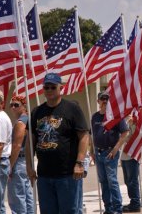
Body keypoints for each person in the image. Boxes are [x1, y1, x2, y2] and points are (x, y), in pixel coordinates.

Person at [25, 73, 89, 214]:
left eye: (53, 87)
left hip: (67, 174)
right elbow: (30, 142)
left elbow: (84, 136)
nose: (49, 90)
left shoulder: (72, 109)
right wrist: (29, 166)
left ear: (60, 88)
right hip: (44, 175)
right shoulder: (36, 112)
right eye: (46, 87)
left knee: (69, 211)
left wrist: (80, 163)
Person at [91, 91, 129, 214]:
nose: (105, 101)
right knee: (103, 181)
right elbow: (92, 135)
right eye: (102, 99)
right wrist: (91, 151)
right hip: (98, 152)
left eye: (107, 99)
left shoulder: (116, 115)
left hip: (110, 152)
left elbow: (125, 133)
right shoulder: (95, 117)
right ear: (98, 101)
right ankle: (108, 208)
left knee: (112, 181)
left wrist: (115, 149)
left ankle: (118, 209)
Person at [8, 95, 34, 214]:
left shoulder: (20, 122)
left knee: (17, 198)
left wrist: (10, 165)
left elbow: (16, 146)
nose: (13, 107)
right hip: (26, 161)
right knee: (27, 195)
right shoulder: (28, 119)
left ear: (24, 106)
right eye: (11, 105)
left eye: (16, 105)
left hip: (18, 161)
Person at [121, 113, 141, 213]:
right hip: (124, 154)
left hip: (132, 154)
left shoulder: (135, 120)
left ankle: (135, 203)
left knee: (132, 180)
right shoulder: (123, 120)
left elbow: (134, 135)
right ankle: (133, 201)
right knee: (127, 181)